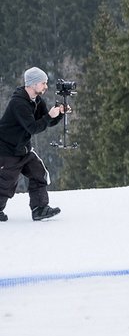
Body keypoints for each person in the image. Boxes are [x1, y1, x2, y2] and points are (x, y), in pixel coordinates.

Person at [0, 67, 64, 221]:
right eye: (43, 83)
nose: (46, 86)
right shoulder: (19, 103)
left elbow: (45, 122)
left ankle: (40, 209)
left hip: (23, 148)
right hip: (7, 150)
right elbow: (33, 127)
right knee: (6, 184)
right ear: (33, 84)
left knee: (39, 173)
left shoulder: (36, 100)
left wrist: (59, 114)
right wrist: (49, 116)